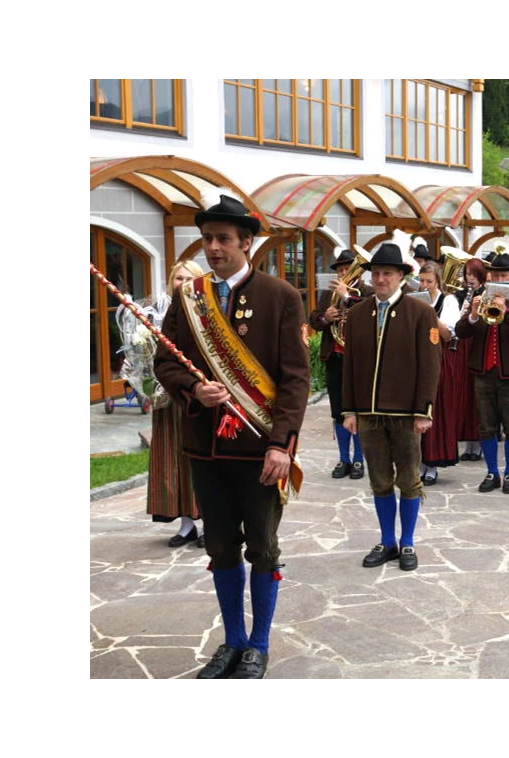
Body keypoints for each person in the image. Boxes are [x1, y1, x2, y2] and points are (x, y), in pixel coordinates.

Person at [155, 192, 310, 680]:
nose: (213, 248)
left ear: (247, 242)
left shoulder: (280, 296)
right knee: (220, 548)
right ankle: (232, 641)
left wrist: (281, 444)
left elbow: (294, 379)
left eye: (223, 239)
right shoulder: (189, 296)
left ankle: (258, 646)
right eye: (207, 239)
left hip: (259, 450)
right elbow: (165, 361)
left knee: (263, 548)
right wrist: (193, 390)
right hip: (206, 447)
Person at [341, 230, 441, 573]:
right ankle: (387, 540)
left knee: (409, 479)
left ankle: (408, 541)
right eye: (376, 273)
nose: (380, 279)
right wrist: (349, 409)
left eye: (388, 273)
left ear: (401, 276)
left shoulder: (419, 312)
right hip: (368, 414)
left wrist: (423, 410)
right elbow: (349, 367)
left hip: (406, 413)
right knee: (379, 480)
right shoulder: (357, 315)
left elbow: (430, 366)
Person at [454, 246, 509, 495]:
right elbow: (461, 331)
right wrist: (473, 316)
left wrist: (506, 310)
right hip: (483, 373)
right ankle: (492, 472)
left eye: (504, 276)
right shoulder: (479, 298)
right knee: (486, 426)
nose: (499, 280)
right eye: (495, 275)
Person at [147, 259, 206, 549]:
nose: (182, 283)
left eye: (188, 278)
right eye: (177, 278)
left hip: (196, 399)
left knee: (199, 460)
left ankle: (209, 522)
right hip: (167, 400)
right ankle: (187, 525)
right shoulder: (157, 316)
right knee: (173, 460)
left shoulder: (207, 315)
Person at [308, 249, 370, 481]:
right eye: (341, 270)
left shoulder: (366, 292)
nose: (344, 273)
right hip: (335, 357)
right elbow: (313, 318)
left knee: (358, 411)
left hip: (359, 360)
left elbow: (367, 314)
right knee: (338, 412)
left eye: (348, 269)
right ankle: (344, 458)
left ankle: (358, 459)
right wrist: (326, 317)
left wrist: (346, 298)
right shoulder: (329, 293)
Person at [417, 259, 461, 485]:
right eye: (421, 280)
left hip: (440, 358)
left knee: (437, 408)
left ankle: (433, 463)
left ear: (438, 282)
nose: (424, 285)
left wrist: (428, 313)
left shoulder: (449, 301)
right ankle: (419, 461)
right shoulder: (414, 299)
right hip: (417, 360)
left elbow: (448, 335)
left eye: (429, 281)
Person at [455, 257, 487, 462]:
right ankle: (468, 443)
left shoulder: (486, 294)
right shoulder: (460, 295)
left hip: (479, 345)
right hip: (463, 345)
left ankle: (478, 444)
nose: (470, 279)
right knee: (464, 394)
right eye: (468, 274)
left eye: (474, 275)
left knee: (477, 396)